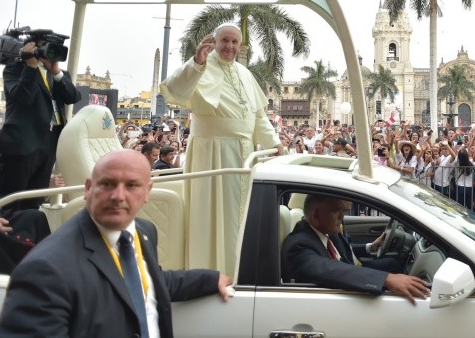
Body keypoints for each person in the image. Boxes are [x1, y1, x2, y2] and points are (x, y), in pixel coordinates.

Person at [0, 150, 231, 338]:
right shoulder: (45, 270)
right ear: (88, 188)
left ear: (147, 192)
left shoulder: (143, 232)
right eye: (108, 184)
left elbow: (149, 282)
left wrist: (210, 280)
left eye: (131, 185)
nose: (118, 196)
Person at [160, 23, 284, 276]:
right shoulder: (200, 66)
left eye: (234, 42)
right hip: (212, 154)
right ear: (214, 42)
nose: (229, 46)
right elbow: (174, 90)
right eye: (224, 40)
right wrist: (196, 62)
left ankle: (237, 273)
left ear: (240, 46)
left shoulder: (245, 73)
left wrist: (275, 144)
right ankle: (209, 274)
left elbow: (258, 117)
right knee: (211, 217)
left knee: (239, 219)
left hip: (244, 155)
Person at [280, 194, 430, 305]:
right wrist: (386, 279)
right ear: (316, 216)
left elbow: (345, 252)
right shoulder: (298, 246)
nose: (342, 217)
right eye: (337, 211)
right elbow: (330, 269)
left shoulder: (324, 231)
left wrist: (371, 247)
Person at [0, 41, 80, 211]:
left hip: (48, 146)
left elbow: (73, 97)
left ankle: (28, 228)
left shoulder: (58, 74)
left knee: (34, 200)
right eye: (45, 47)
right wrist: (31, 67)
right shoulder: (15, 69)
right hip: (20, 147)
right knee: (9, 202)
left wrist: (56, 71)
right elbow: (23, 97)